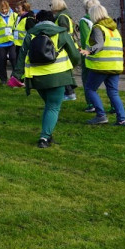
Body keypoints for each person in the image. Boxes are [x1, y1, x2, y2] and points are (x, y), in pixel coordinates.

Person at [13, 10, 82, 148]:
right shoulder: (61, 33)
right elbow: (75, 55)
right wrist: (71, 66)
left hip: (37, 77)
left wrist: (17, 75)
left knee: (49, 106)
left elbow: (21, 56)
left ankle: (47, 134)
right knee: (53, 107)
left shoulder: (31, 34)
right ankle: (44, 138)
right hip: (58, 76)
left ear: (37, 20)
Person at [82, 3, 125, 127]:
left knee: (90, 89)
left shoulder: (98, 28)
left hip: (101, 65)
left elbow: (99, 45)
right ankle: (122, 119)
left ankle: (100, 115)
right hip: (115, 65)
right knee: (113, 92)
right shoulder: (114, 29)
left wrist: (88, 51)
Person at [50, 0, 79, 101]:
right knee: (66, 70)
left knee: (64, 71)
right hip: (69, 45)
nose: (50, 7)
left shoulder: (61, 17)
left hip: (65, 47)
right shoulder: (66, 15)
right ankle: (69, 92)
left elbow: (63, 33)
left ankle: (70, 93)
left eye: (51, 5)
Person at [78, 0, 101, 113]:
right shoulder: (102, 20)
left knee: (87, 80)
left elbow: (85, 40)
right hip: (104, 53)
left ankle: (91, 104)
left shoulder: (84, 21)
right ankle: (113, 106)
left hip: (90, 54)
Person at [0, 1, 19, 85]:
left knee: (14, 59)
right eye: (2, 9)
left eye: (6, 9)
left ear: (8, 7)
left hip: (12, 42)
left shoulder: (14, 15)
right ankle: (3, 80)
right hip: (1, 43)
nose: (4, 11)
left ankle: (16, 78)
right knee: (1, 61)